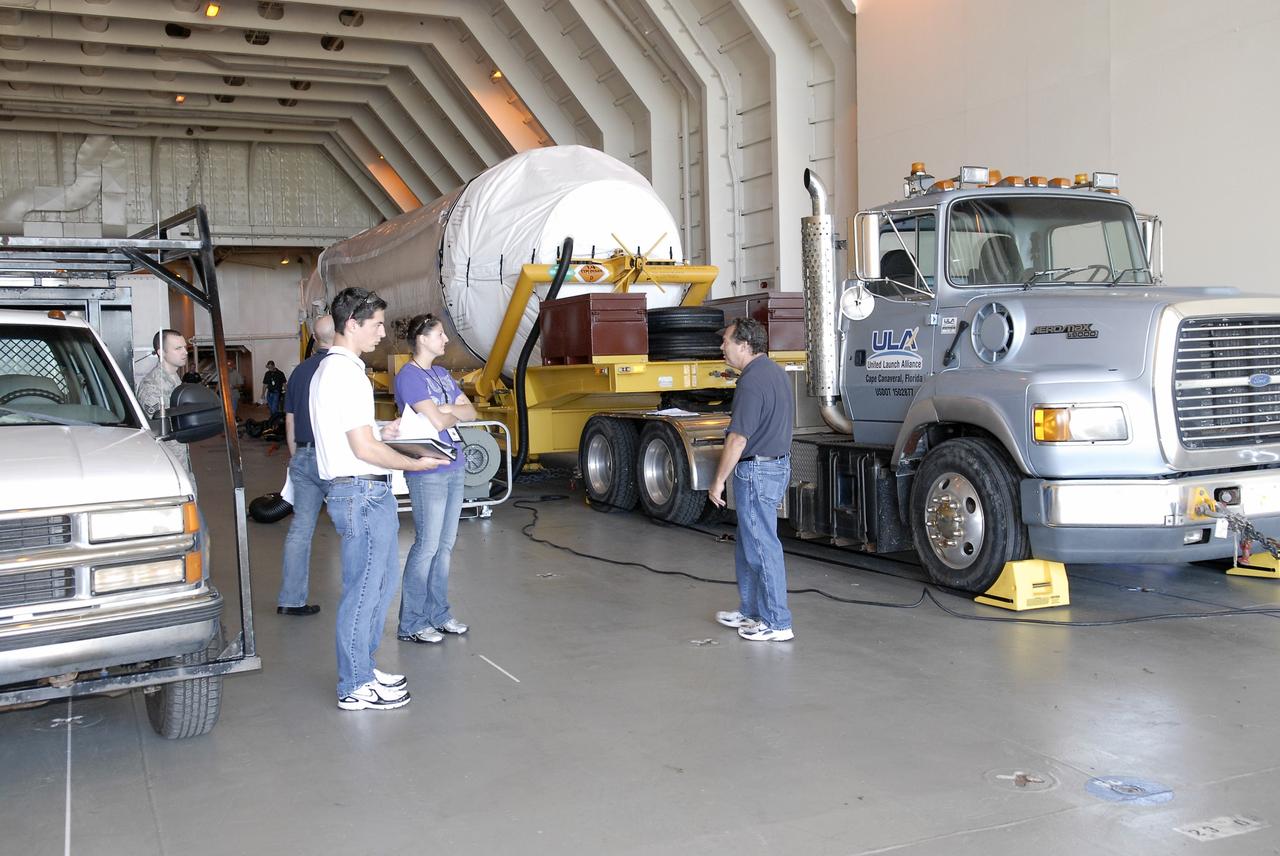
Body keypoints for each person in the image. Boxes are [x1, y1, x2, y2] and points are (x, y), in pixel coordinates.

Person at [310, 288, 443, 711]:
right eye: (377, 324)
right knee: (365, 590)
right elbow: (363, 451)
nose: (383, 333)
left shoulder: (338, 371)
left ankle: (363, 668)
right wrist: (414, 463)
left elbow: (359, 437)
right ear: (352, 323)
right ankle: (354, 684)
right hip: (361, 491)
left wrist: (382, 431)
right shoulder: (344, 373)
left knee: (379, 584)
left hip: (365, 491)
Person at [708, 317, 795, 642]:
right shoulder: (773, 372)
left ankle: (777, 622)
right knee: (750, 541)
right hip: (773, 466)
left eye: (726, 341)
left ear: (744, 346)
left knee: (762, 545)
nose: (722, 347)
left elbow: (737, 439)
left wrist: (718, 481)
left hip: (757, 471)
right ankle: (752, 612)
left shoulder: (751, 381)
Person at [394, 314, 477, 645]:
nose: (446, 340)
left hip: (454, 466)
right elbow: (437, 421)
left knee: (444, 546)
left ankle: (439, 614)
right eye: (440, 334)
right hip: (428, 469)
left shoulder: (442, 374)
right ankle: (411, 622)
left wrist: (446, 408)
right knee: (427, 545)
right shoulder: (409, 378)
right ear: (422, 339)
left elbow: (471, 412)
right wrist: (448, 409)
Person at [276, 315, 335, 618]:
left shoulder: (299, 372)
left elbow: (289, 419)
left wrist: (296, 456)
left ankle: (291, 599)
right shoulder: (341, 368)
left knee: (300, 531)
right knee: (355, 529)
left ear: (313, 336)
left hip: (303, 454)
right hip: (333, 459)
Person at [136, 328, 192, 474]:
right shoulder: (151, 386)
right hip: (166, 465)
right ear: (161, 353)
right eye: (178, 348)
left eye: (184, 347)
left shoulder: (175, 379)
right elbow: (155, 432)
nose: (185, 352)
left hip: (181, 460)